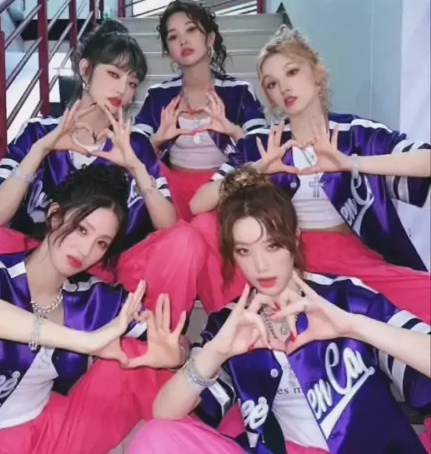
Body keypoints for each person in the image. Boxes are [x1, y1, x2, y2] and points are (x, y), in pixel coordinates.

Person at [128, 166, 431, 454]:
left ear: (294, 238)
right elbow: (164, 413)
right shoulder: (232, 322)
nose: (261, 265)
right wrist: (216, 351)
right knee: (154, 437)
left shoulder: (343, 297)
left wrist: (354, 326)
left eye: (272, 245)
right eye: (244, 251)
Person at [0, 20, 206, 325]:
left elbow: (169, 227)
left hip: (107, 266)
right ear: (85, 70)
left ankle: (157, 343)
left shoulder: (134, 143)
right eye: (113, 74)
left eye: (132, 83)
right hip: (38, 255)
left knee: (185, 240)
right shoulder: (38, 131)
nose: (122, 90)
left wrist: (136, 168)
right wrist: (40, 150)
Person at [189, 25, 431, 319]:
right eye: (271, 84)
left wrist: (351, 163)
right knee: (204, 226)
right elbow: (198, 203)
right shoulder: (263, 143)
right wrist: (258, 169)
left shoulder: (355, 133)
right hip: (283, 258)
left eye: (292, 72)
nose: (284, 88)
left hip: (350, 255)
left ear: (317, 73)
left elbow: (426, 161)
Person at [0, 163, 187, 454]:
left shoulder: (93, 297)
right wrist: (84, 341)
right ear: (55, 215)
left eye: (101, 243)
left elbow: (175, 340)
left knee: (137, 361)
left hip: (49, 429)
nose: (86, 250)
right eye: (81, 229)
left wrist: (175, 356)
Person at [132, 0, 267, 221]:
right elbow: (133, 151)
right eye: (173, 36)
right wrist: (156, 140)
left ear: (210, 38)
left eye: (191, 30)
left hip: (223, 191)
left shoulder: (239, 91)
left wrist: (232, 130)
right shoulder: (158, 95)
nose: (183, 41)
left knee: (205, 227)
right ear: (168, 50)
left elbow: (261, 150)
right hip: (171, 192)